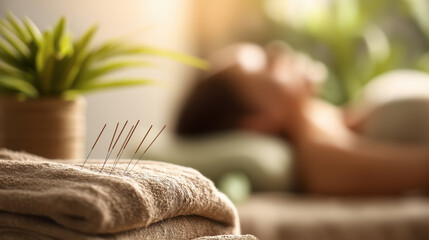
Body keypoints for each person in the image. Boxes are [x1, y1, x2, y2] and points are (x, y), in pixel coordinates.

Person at [176, 43, 429, 196]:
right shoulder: (321, 157)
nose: (279, 50)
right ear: (258, 121)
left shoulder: (352, 117)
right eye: (267, 63)